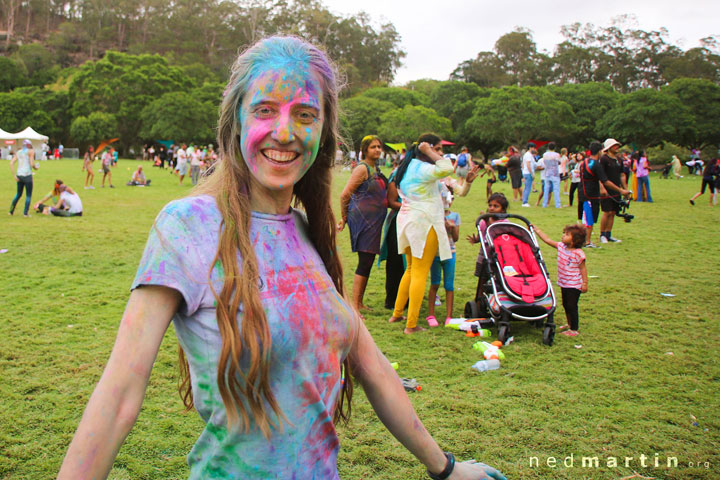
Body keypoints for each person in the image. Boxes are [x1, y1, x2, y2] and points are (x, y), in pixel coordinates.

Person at [57, 36, 506, 480]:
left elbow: (374, 369)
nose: (285, 132)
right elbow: (119, 394)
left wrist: (446, 469)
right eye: (265, 109)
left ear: (323, 131)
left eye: (305, 114)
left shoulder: (311, 233)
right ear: (236, 120)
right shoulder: (187, 226)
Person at [387, 134, 455, 334]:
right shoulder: (423, 168)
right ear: (427, 148)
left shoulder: (406, 167)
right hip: (424, 224)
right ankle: (411, 324)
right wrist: (429, 151)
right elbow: (447, 168)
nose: (439, 154)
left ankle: (398, 313)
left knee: (410, 270)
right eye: (438, 149)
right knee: (419, 273)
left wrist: (428, 151)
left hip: (407, 222)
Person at [338, 135, 388, 315]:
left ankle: (360, 301)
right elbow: (345, 195)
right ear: (365, 150)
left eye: (379, 147)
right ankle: (355, 305)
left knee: (368, 260)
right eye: (373, 147)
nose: (377, 150)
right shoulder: (362, 169)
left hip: (374, 222)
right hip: (363, 221)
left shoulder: (376, 168)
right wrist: (343, 217)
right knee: (364, 261)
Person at [533, 224, 588, 337]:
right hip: (564, 283)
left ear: (575, 240)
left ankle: (574, 329)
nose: (563, 236)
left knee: (572, 306)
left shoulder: (578, 254)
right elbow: (548, 240)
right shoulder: (561, 247)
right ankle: (569, 324)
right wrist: (537, 230)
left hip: (574, 285)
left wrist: (585, 283)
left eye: (567, 234)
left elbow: (583, 269)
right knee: (566, 304)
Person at [426, 186, 460, 326]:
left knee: (449, 285)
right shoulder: (433, 216)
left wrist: (451, 229)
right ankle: (431, 315)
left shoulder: (455, 216)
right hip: (435, 254)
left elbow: (456, 238)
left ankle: (449, 316)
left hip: (450, 253)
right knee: (434, 283)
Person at [466, 193, 509, 300]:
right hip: (485, 257)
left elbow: (496, 234)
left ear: (503, 210)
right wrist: (476, 239)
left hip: (500, 258)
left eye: (496, 206)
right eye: (490, 205)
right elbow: (483, 235)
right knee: (482, 281)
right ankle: (479, 303)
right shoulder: (483, 222)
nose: (492, 208)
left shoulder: (504, 222)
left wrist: (487, 221)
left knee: (501, 281)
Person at [599, 139, 631, 244]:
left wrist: (625, 189)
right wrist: (602, 188)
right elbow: (601, 177)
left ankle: (609, 234)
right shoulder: (603, 159)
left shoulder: (619, 160)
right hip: (607, 190)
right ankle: (602, 234)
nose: (617, 147)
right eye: (614, 146)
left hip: (617, 190)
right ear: (609, 148)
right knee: (606, 212)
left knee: (613, 212)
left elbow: (622, 175)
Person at [9, 139, 39, 217]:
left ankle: (11, 211)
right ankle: (25, 213)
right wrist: (36, 167)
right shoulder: (30, 151)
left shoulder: (18, 152)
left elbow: (11, 163)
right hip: (27, 175)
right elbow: (32, 164)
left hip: (19, 175)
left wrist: (14, 175)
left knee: (18, 194)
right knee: (28, 195)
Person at [541, 142, 562, 208]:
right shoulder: (557, 155)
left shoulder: (545, 155)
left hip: (547, 173)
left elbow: (544, 162)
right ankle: (557, 204)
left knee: (546, 189)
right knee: (556, 190)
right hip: (555, 173)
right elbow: (559, 162)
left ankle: (544, 204)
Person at [521, 142, 537, 207]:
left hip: (525, 172)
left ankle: (524, 200)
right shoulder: (528, 155)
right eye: (533, 148)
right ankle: (525, 202)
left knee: (526, 187)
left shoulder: (527, 155)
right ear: (530, 148)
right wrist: (532, 173)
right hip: (528, 173)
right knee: (528, 188)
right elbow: (528, 165)